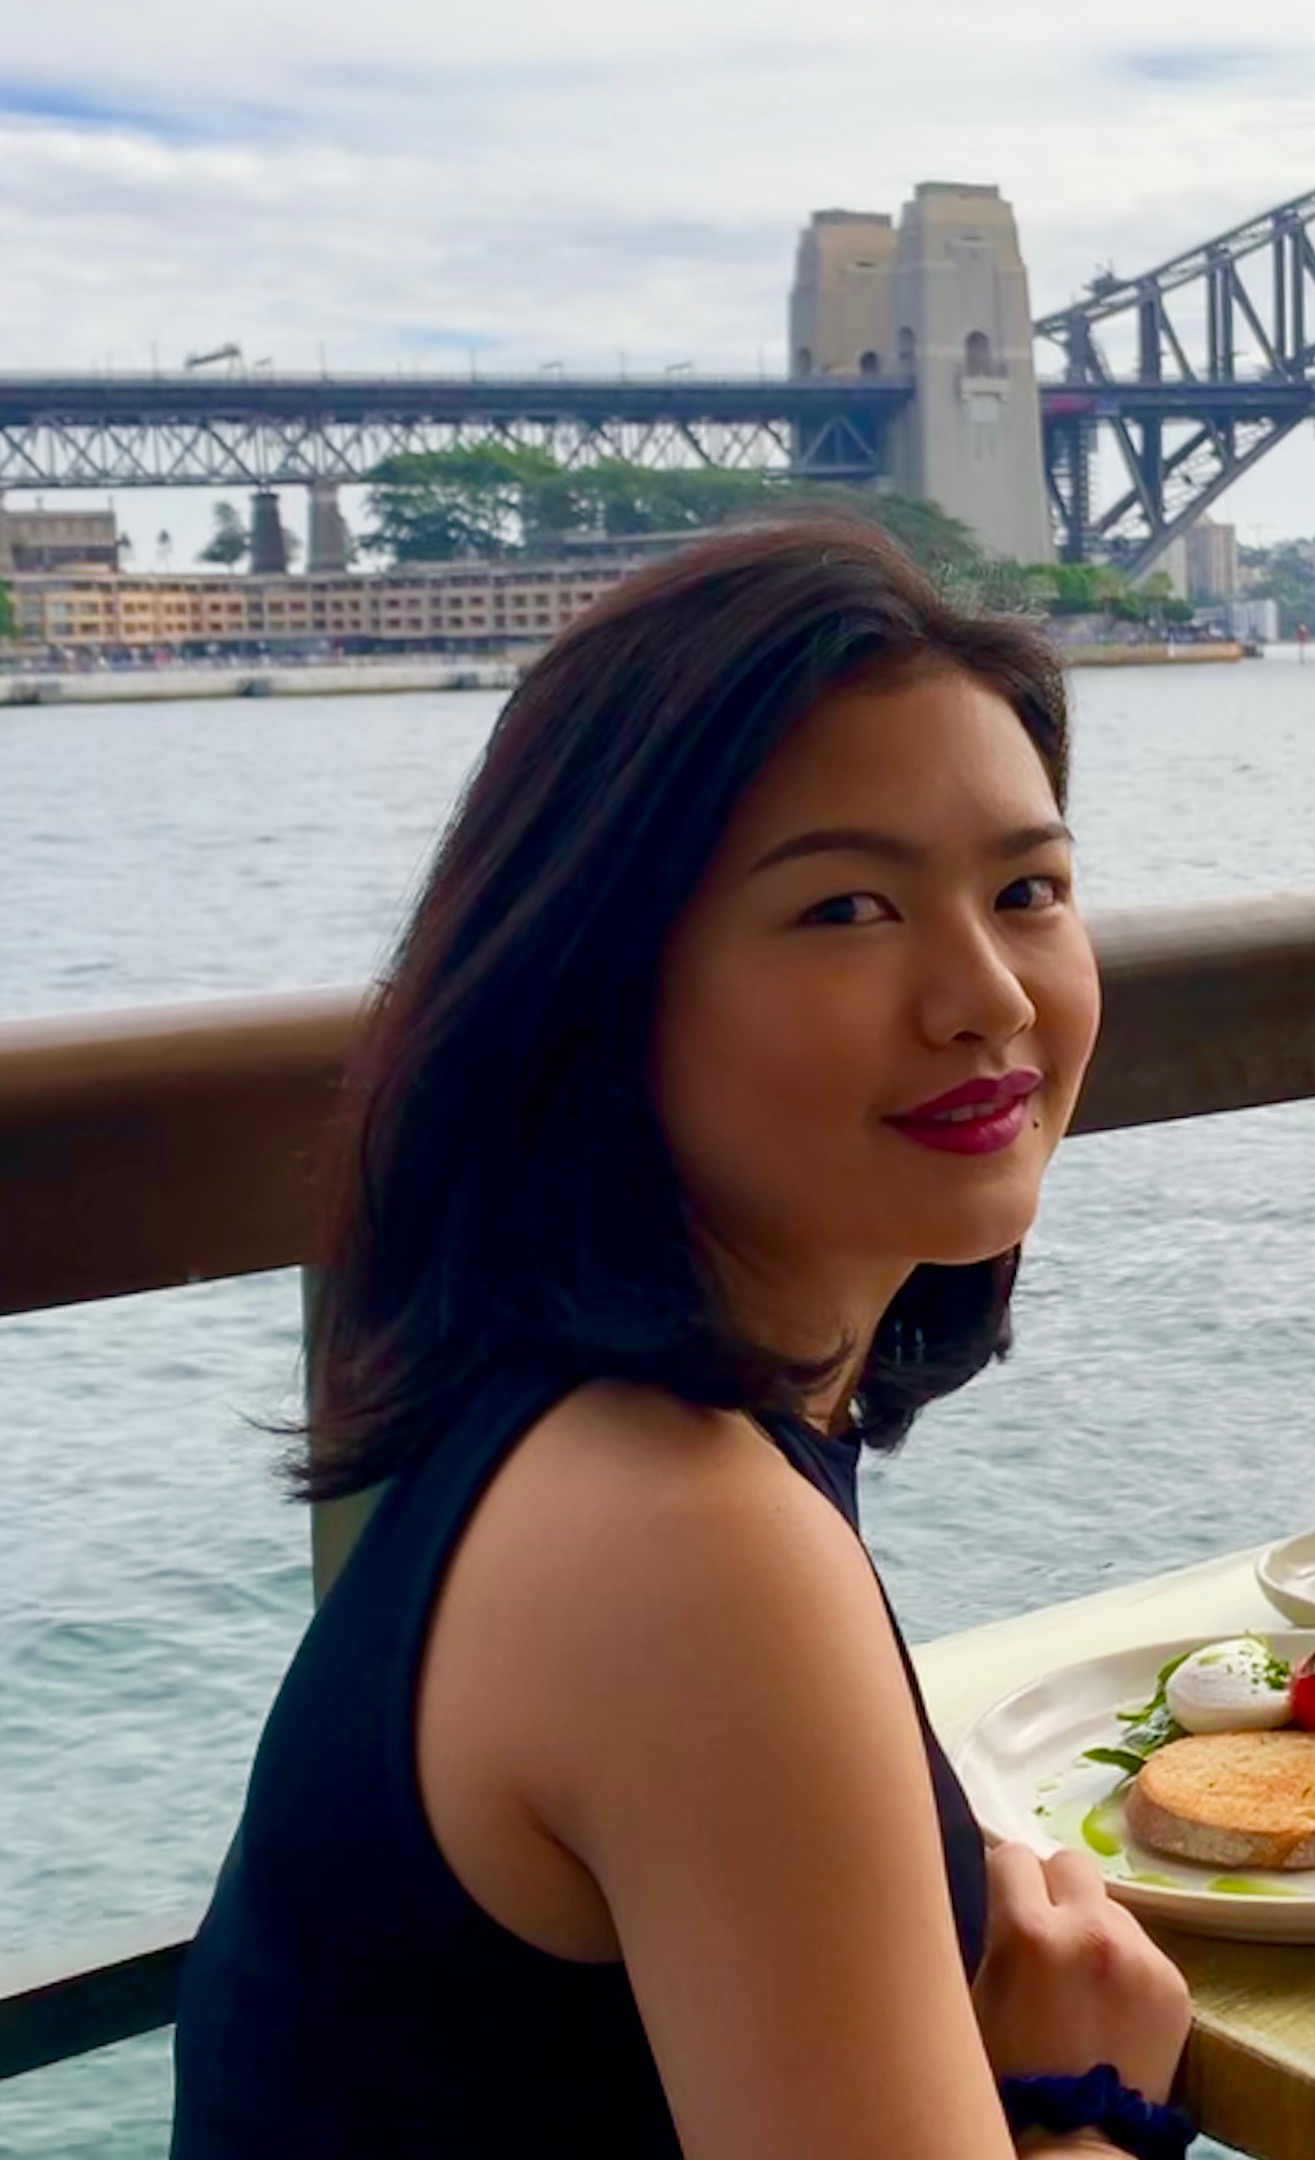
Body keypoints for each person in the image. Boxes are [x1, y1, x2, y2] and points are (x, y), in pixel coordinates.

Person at [171, 519, 1192, 2158]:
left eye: (1028, 890)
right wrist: (1091, 2101)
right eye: (848, 908)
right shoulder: (688, 1543)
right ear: (600, 985)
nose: (986, 994)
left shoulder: (562, 1425)